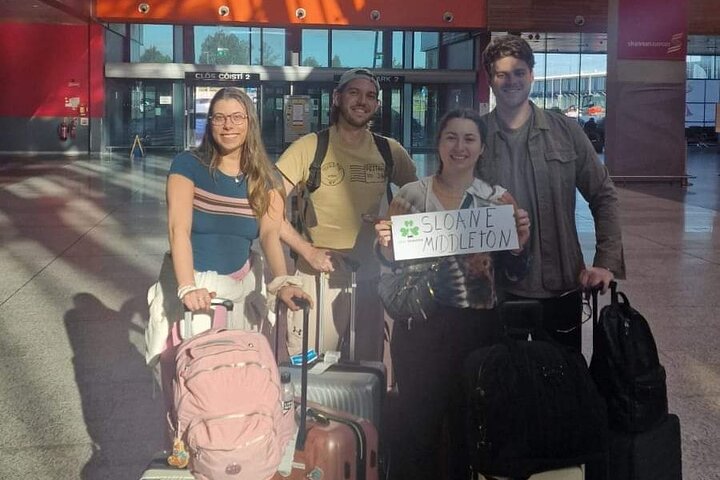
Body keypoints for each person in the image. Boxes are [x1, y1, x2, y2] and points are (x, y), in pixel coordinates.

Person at [374, 108, 531, 480]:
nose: (460, 147)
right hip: (420, 328)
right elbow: (390, 264)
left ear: (481, 148)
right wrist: (385, 245)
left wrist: (519, 245)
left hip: (478, 331)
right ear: (439, 143)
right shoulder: (411, 196)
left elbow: (514, 273)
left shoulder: (497, 200)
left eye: (469, 138)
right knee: (419, 425)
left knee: (470, 426)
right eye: (451, 137)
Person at [146, 87, 310, 419]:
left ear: (250, 122)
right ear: (209, 123)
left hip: (239, 291)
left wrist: (282, 283)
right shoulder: (188, 165)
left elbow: (269, 234)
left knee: (234, 386)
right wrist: (187, 287)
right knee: (186, 387)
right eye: (219, 117)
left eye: (237, 117)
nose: (228, 125)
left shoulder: (266, 177)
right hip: (190, 289)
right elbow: (179, 229)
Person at [478, 34, 625, 350]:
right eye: (502, 74)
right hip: (496, 287)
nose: (512, 81)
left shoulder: (566, 131)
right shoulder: (475, 136)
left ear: (532, 75)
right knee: (502, 376)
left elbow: (603, 194)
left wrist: (606, 262)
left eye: (519, 72)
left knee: (562, 375)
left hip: (561, 284)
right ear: (490, 80)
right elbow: (450, 202)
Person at [277, 68, 417, 362]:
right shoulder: (309, 147)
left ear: (377, 105)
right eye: (354, 93)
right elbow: (267, 209)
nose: (362, 101)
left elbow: (421, 203)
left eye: (370, 96)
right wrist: (307, 250)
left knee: (366, 369)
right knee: (311, 371)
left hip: (370, 279)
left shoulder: (389, 150)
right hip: (317, 279)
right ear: (337, 98)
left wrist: (395, 222)